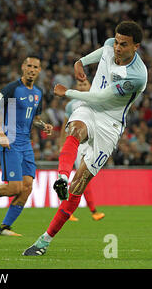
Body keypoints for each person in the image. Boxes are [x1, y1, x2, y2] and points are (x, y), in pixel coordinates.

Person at [23, 21, 148, 256]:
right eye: (117, 41)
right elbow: (105, 50)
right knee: (75, 129)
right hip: (88, 108)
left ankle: (44, 241)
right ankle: (60, 175)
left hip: (109, 124)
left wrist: (67, 92)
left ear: (136, 47)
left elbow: (101, 98)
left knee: (78, 185)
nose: (117, 48)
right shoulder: (112, 44)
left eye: (124, 44)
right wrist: (80, 61)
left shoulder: (136, 76)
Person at [0, 55, 53, 236]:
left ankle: (5, 227)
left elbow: (34, 118)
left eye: (35, 67)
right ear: (23, 67)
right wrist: (0, 134)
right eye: (28, 65)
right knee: (14, 187)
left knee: (27, 187)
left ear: (39, 70)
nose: (31, 69)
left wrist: (43, 125)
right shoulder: (12, 88)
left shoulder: (38, 93)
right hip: (10, 142)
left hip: (26, 144)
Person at [59, 79, 105, 222]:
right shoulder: (71, 105)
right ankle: (92, 211)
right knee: (82, 175)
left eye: (85, 84)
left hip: (90, 143)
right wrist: (62, 144)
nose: (82, 87)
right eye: (80, 85)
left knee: (82, 176)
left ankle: (68, 209)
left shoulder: (95, 101)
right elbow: (65, 124)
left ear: (90, 86)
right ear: (76, 88)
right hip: (76, 143)